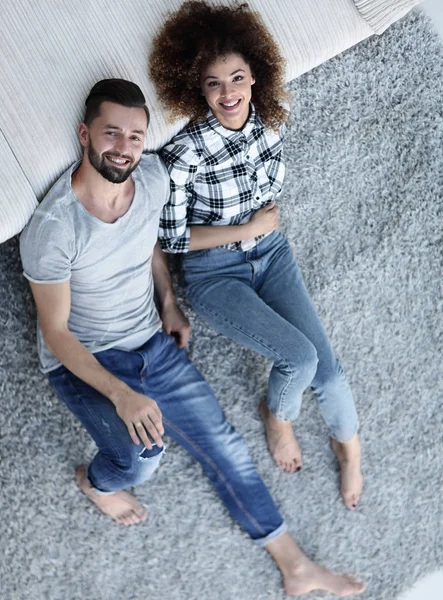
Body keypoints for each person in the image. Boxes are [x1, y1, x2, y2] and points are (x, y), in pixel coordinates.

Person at [150, 0, 363, 510]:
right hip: (214, 272)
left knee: (328, 371)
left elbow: (270, 184)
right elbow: (174, 239)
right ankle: (278, 416)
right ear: (196, 88)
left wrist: (259, 230)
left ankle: (349, 445)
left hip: (271, 253)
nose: (228, 94)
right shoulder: (185, 153)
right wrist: (247, 227)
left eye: (237, 78)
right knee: (301, 358)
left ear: (254, 76)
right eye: (213, 83)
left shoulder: (270, 123)